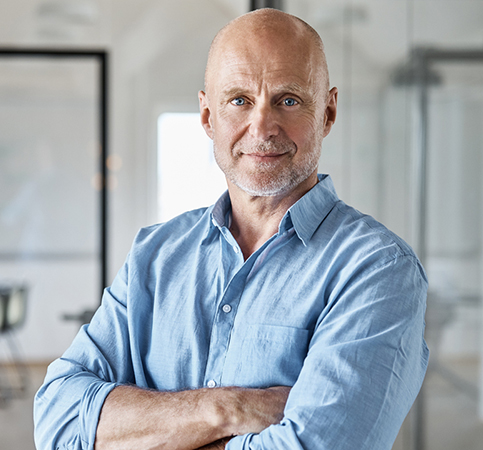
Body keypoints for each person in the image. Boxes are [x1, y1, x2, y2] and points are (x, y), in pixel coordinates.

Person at [34, 8, 428, 450]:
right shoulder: (154, 255)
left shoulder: (377, 270)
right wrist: (225, 410)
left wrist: (142, 433)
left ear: (329, 113)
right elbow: (58, 420)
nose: (262, 126)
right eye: (239, 100)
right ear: (207, 117)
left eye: (288, 100)